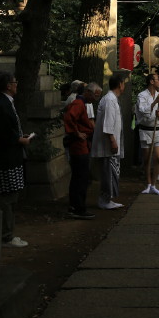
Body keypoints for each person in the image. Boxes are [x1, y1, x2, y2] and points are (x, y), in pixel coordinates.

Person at [0, 72, 35, 247]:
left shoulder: (3, 103)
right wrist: (20, 140)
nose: (17, 85)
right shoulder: (1, 105)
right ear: (8, 85)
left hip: (9, 156)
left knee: (10, 195)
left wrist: (18, 137)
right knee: (7, 197)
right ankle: (6, 235)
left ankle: (7, 233)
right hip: (6, 158)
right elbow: (3, 133)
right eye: (15, 82)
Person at [64, 82, 101, 219]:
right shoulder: (78, 104)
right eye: (96, 95)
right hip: (79, 146)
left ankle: (76, 206)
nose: (96, 98)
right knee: (81, 177)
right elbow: (69, 118)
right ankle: (78, 207)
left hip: (82, 144)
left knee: (79, 177)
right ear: (88, 92)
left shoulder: (82, 104)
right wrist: (76, 133)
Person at [91, 73, 126, 208]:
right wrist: (112, 140)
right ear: (120, 84)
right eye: (123, 84)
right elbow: (108, 123)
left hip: (110, 143)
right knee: (108, 172)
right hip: (108, 144)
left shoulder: (110, 99)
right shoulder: (110, 100)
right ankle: (104, 200)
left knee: (111, 171)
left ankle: (107, 199)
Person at [135, 72, 159, 195]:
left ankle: (154, 184)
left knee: (158, 157)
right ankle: (148, 183)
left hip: (158, 129)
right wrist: (154, 102)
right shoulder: (142, 95)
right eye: (157, 79)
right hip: (145, 130)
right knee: (147, 159)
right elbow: (142, 110)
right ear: (151, 81)